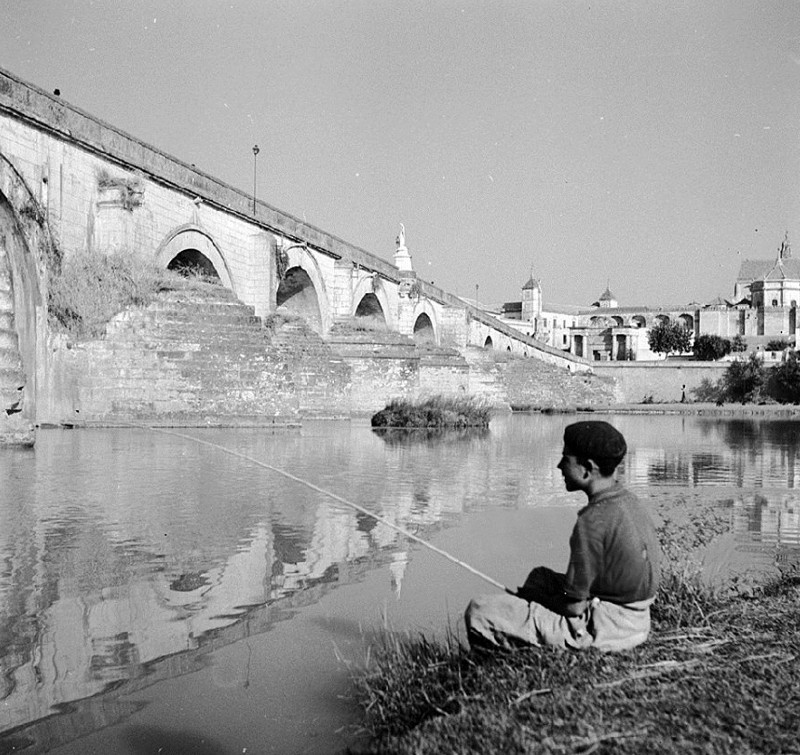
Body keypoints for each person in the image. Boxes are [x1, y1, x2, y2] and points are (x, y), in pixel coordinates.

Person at [465, 420, 661, 652]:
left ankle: (498, 661)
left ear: (587, 469)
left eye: (566, 459)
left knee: (479, 611)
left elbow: (574, 607)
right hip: (636, 620)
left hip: (606, 628)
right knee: (541, 578)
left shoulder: (592, 522)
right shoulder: (627, 500)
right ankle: (526, 638)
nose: (559, 466)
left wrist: (539, 601)